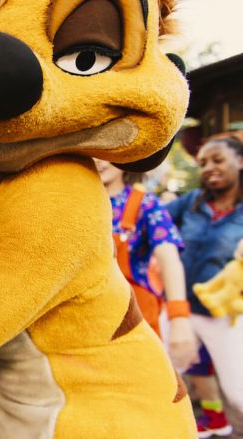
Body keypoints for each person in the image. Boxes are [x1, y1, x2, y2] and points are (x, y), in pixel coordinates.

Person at [166, 136, 243, 438]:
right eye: (203, 163)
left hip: (224, 314)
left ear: (239, 162)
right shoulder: (190, 202)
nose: (209, 168)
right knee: (169, 375)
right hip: (179, 310)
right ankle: (209, 421)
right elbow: (155, 226)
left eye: (217, 160)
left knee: (237, 391)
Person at [94, 159, 197, 370]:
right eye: (91, 152)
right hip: (85, 316)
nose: (98, 160)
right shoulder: (74, 202)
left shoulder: (145, 203)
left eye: (105, 153)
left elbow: (169, 258)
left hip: (136, 316)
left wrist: (179, 318)